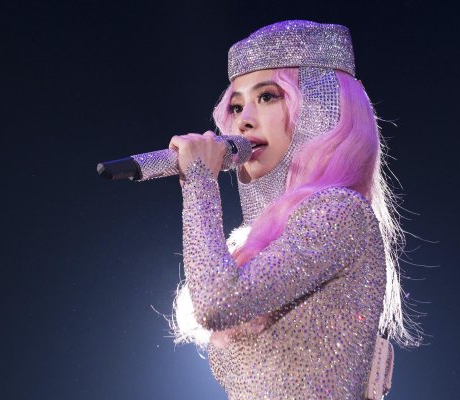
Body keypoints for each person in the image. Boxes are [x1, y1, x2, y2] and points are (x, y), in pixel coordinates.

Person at [168, 20, 422, 399]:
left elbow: (217, 305)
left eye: (267, 97)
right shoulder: (269, 241)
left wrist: (200, 184)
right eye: (236, 106)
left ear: (318, 109)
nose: (243, 120)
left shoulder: (339, 212)